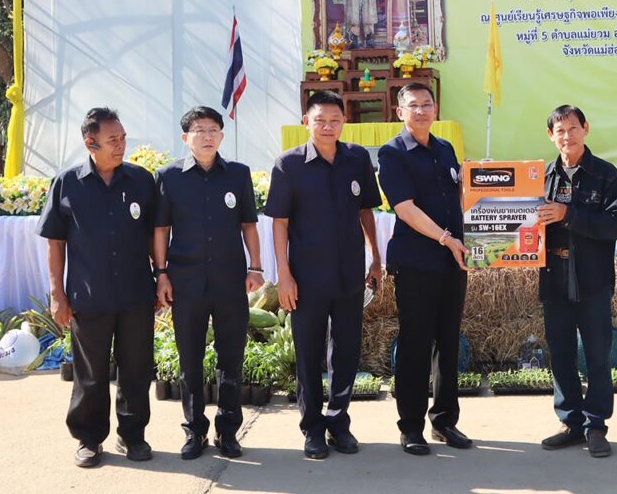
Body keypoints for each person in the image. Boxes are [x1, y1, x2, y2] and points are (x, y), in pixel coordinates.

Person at [265, 90, 383, 459]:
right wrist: (284, 275)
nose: (328, 127)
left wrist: (376, 259)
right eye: (320, 120)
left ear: (344, 122)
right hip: (306, 278)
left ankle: (338, 423)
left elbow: (366, 212)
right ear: (307, 122)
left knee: (346, 352)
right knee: (308, 354)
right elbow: (280, 223)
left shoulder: (357, 159)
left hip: (349, 274)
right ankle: (312, 429)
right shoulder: (289, 164)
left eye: (334, 120)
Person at [37, 107, 156, 468]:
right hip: (89, 295)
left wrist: (162, 275)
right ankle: (89, 439)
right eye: (112, 140)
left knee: (136, 369)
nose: (121, 145)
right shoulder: (67, 183)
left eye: (123, 138)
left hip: (136, 293)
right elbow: (55, 242)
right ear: (90, 143)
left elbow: (155, 234)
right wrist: (57, 294)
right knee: (90, 373)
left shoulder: (141, 180)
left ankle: (133, 435)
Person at [154, 106, 264, 460]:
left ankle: (228, 432)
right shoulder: (168, 177)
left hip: (230, 280)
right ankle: (194, 431)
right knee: (190, 360)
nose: (207, 136)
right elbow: (161, 230)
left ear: (221, 135)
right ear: (185, 137)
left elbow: (249, 225)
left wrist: (256, 267)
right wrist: (161, 274)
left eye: (213, 129)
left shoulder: (238, 174)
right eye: (199, 130)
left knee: (231, 358)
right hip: (185, 282)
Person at [377, 83, 471, 456]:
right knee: (415, 344)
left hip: (453, 261)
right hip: (416, 261)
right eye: (413, 105)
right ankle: (411, 427)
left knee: (448, 342)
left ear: (435, 109)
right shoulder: (392, 153)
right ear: (400, 112)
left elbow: (460, 197)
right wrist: (446, 239)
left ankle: (444, 421)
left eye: (426, 104)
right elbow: (405, 208)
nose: (421, 111)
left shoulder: (445, 148)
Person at [536, 105, 617, 458]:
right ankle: (570, 422)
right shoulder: (541, 176)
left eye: (573, 128)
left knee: (597, 355)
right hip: (554, 278)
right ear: (550, 135)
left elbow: (614, 226)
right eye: (559, 130)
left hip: (592, 279)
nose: (567, 136)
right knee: (560, 353)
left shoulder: (606, 176)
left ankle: (596, 425)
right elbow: (521, 223)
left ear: (585, 128)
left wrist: (567, 214)